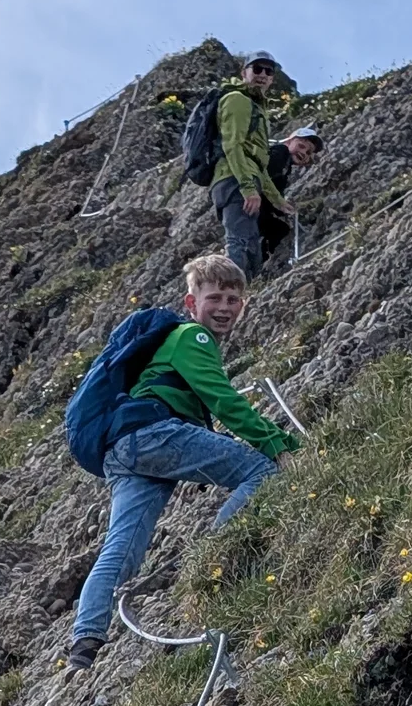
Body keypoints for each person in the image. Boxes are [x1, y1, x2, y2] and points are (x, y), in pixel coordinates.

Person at [66, 253, 299, 671]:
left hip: (122, 448)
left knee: (121, 547)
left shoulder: (173, 340)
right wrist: (280, 445)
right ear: (191, 304)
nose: (225, 307)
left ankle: (86, 636)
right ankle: (218, 559)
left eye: (233, 299)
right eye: (215, 298)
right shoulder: (194, 337)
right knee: (261, 470)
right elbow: (223, 401)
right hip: (153, 433)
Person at [210, 54, 291, 279]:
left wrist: (278, 201)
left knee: (251, 243)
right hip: (234, 179)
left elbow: (258, 163)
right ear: (244, 72)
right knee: (239, 241)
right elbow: (232, 145)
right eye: (257, 69)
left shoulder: (256, 107)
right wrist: (247, 187)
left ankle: (244, 290)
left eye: (269, 71)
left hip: (242, 177)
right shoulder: (238, 100)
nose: (263, 75)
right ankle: (230, 292)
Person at [257, 124, 323, 269]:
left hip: (259, 205)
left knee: (279, 229)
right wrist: (280, 205)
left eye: (307, 152)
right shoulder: (280, 152)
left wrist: (282, 208)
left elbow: (274, 191)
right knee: (274, 229)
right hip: (251, 201)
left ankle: (258, 262)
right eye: (301, 145)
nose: (303, 153)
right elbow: (265, 178)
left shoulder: (285, 166)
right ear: (288, 141)